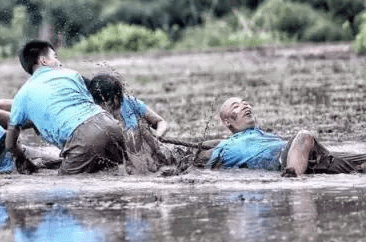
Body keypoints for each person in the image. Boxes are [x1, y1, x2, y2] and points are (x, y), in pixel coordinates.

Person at [6, 40, 126, 175]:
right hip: (111, 125)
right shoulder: (71, 74)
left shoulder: (22, 95)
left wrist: (21, 158)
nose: (60, 62)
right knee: (112, 171)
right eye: (55, 57)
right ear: (43, 61)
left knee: (63, 184)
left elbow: (10, 143)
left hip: (83, 138)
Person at [204, 96, 366, 176]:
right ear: (227, 122)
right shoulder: (223, 147)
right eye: (236, 106)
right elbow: (197, 156)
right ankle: (294, 184)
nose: (244, 105)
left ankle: (295, 173)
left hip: (310, 156)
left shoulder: (264, 135)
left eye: (245, 103)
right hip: (292, 160)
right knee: (304, 136)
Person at [86, 73, 187, 173]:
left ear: (116, 97)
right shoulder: (92, 111)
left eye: (105, 102)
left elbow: (161, 122)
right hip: (115, 160)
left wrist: (157, 136)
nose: (102, 105)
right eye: (99, 102)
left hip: (144, 154)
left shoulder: (130, 102)